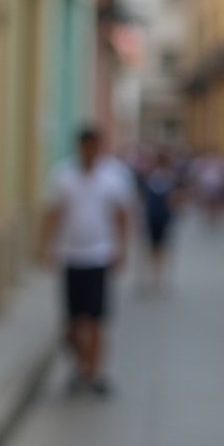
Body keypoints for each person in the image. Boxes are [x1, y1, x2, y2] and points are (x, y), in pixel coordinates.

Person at [41, 124, 131, 396]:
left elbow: (121, 214)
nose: (91, 151)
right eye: (86, 145)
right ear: (79, 147)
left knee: (96, 320)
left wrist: (121, 248)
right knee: (71, 322)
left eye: (95, 146)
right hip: (71, 255)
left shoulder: (113, 176)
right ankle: (80, 365)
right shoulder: (63, 175)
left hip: (99, 255)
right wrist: (47, 248)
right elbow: (53, 213)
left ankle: (94, 373)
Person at [136, 143, 182, 291]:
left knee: (158, 249)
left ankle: (157, 278)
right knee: (154, 249)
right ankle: (152, 278)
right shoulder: (151, 177)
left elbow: (175, 199)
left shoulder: (168, 178)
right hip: (153, 217)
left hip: (162, 218)